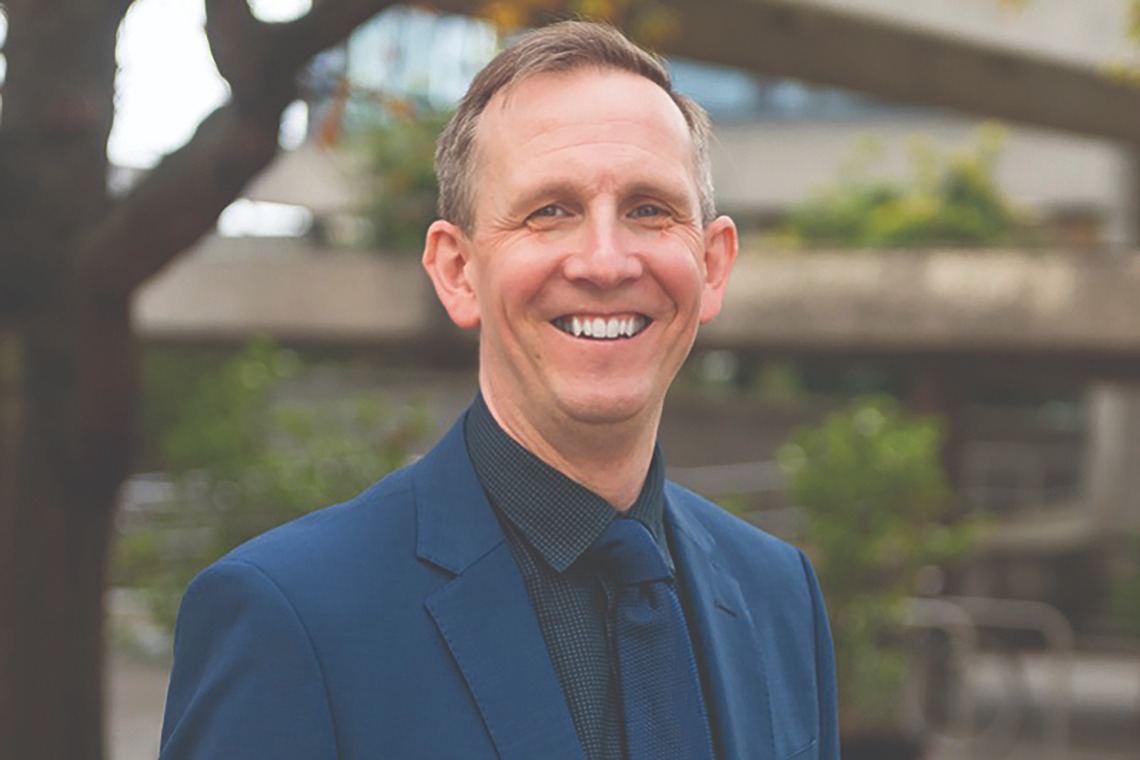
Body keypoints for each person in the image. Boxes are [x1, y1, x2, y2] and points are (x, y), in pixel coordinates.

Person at [160, 20, 839, 760]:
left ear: (713, 265)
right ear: (458, 271)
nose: (605, 262)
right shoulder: (290, 614)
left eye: (649, 209)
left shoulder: (779, 594)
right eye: (550, 211)